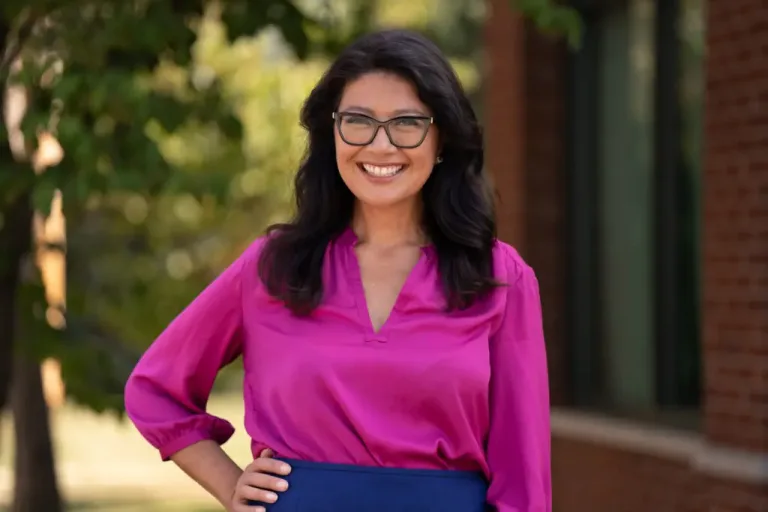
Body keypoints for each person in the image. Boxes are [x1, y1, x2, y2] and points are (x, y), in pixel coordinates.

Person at [124, 28, 551, 512]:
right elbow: (155, 390)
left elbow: (524, 476)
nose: (381, 145)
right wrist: (229, 484)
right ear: (332, 134)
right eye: (358, 121)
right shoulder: (273, 267)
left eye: (407, 123)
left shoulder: (500, 276)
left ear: (442, 139)